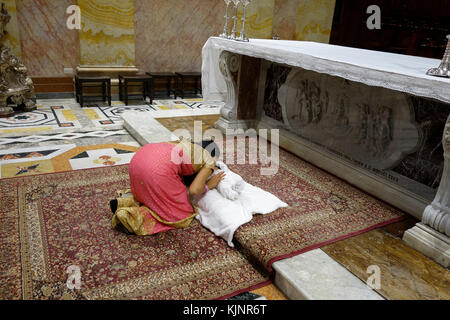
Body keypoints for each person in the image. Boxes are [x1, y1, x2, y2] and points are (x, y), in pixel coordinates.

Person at [110, 139, 225, 236]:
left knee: (155, 193)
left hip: (137, 163)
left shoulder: (182, 144)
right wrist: (208, 185)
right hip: (154, 173)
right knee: (180, 213)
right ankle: (131, 217)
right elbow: (194, 191)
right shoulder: (208, 159)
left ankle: (125, 201)